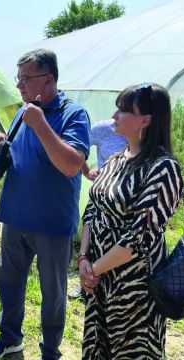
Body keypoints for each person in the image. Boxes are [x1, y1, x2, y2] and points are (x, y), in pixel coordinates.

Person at [0, 49, 90, 360]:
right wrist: (0, 145)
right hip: (15, 216)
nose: (19, 86)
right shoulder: (24, 111)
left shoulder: (73, 114)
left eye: (26, 79)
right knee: (8, 281)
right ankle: (10, 339)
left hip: (52, 223)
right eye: (19, 79)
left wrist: (41, 124)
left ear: (49, 79)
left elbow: (71, 164)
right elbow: (21, 154)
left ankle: (50, 352)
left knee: (53, 293)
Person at [78, 83, 184, 359]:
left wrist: (94, 270)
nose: (114, 116)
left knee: (133, 351)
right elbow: (93, 209)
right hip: (99, 281)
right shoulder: (115, 161)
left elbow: (139, 237)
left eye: (123, 110)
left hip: (135, 288)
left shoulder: (163, 168)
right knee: (97, 347)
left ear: (146, 120)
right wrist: (83, 260)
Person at [69, 119, 127, 299]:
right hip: (101, 197)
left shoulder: (146, 146)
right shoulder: (104, 128)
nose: (115, 114)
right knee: (95, 240)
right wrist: (87, 171)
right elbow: (78, 149)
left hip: (124, 202)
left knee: (116, 246)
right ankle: (86, 284)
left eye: (123, 109)